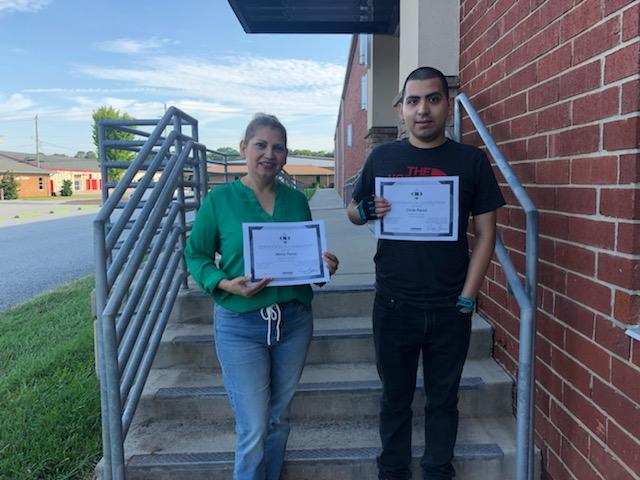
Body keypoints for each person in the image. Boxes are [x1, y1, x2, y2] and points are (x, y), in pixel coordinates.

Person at [347, 66, 505, 480]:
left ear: (447, 104)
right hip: (394, 304)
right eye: (413, 101)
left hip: (449, 305)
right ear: (401, 109)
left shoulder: (470, 161)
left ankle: (438, 470)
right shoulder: (382, 157)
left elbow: (487, 234)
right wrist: (364, 211)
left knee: (443, 400)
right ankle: (393, 471)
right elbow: (352, 209)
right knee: (395, 399)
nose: (423, 110)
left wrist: (468, 298)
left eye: (432, 99)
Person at [185, 113, 339, 480]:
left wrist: (322, 267)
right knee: (253, 426)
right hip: (241, 324)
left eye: (278, 147)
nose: (269, 153)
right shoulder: (220, 200)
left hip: (293, 322)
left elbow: (303, 263)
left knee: (279, 418)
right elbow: (196, 255)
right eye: (261, 145)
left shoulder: (296, 200)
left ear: (286, 155)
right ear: (243, 149)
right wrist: (224, 284)